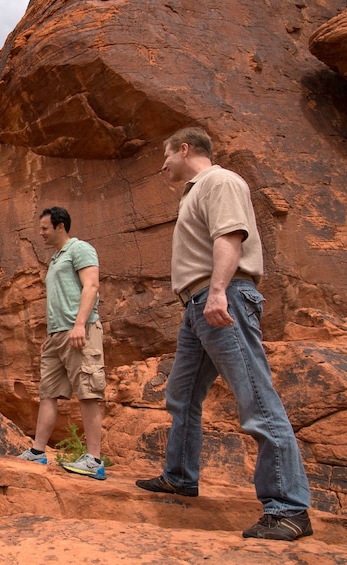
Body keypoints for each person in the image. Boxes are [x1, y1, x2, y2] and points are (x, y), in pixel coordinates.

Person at [135, 127, 312, 541]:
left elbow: (230, 236)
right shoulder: (195, 191)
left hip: (222, 299)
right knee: (181, 395)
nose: (161, 165)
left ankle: (288, 508)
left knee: (257, 399)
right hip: (197, 307)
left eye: (165, 155)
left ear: (184, 149)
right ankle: (179, 476)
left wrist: (218, 292)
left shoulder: (220, 180)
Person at [17, 207, 107, 480]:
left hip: (80, 331)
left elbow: (91, 286)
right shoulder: (56, 259)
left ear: (60, 226)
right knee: (48, 393)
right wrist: (52, 335)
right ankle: (37, 451)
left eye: (44, 228)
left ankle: (94, 459)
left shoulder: (80, 249)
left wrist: (79, 324)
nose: (40, 233)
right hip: (58, 337)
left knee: (88, 391)